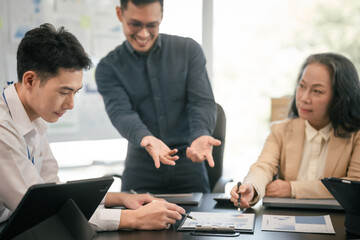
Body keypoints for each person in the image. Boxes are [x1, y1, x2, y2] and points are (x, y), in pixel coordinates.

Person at [0, 23, 185, 232]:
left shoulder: (33, 117)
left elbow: (49, 192)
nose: (70, 104)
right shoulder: (2, 129)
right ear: (30, 80)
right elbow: (41, 212)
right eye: (63, 92)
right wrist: (132, 219)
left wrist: (118, 198)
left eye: (75, 92)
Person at [95, 0, 221, 193]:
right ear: (120, 14)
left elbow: (201, 101)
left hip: (188, 162)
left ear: (161, 16)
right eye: (135, 24)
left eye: (151, 25)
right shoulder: (108, 68)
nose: (144, 34)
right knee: (133, 221)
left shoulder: (188, 50)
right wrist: (146, 138)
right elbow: (121, 113)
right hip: (142, 165)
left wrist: (201, 133)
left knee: (200, 220)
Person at [231, 53, 360, 208]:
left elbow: (354, 187)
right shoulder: (280, 130)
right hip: (286, 219)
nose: (304, 98)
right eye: (302, 86)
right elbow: (264, 166)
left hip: (340, 220)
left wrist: (291, 188)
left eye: (317, 91)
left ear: (339, 97)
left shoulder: (356, 135)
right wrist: (251, 187)